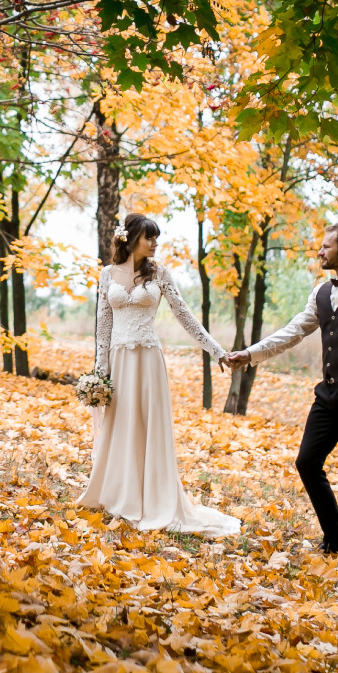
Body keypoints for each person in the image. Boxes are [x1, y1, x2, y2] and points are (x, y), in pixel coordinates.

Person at [222, 222, 338, 568]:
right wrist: (250, 354)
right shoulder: (321, 293)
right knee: (306, 462)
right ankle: (337, 541)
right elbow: (293, 332)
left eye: (326, 246)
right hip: (329, 393)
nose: (320, 252)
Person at [82, 212, 241, 537]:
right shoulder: (107, 274)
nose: (155, 243)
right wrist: (100, 372)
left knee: (147, 427)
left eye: (156, 238)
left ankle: (152, 498)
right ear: (131, 238)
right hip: (118, 362)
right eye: (149, 237)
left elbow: (184, 315)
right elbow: (103, 325)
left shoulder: (160, 274)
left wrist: (216, 351)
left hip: (148, 361)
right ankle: (117, 494)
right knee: (120, 427)